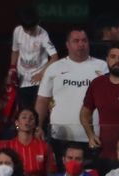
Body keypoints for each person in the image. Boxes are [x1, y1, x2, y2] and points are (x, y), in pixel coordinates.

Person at [36, 28, 108, 157]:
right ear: (67, 45)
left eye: (84, 40)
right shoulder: (54, 68)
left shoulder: (103, 66)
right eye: (76, 41)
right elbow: (42, 100)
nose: (81, 44)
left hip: (94, 137)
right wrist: (38, 126)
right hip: (60, 137)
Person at [10, 7, 58, 110]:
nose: (29, 32)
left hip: (38, 81)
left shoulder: (43, 34)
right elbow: (15, 51)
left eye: (31, 29)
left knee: (38, 111)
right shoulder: (17, 31)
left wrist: (41, 74)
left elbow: (55, 57)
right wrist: (12, 68)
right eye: (25, 29)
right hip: (21, 79)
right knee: (23, 111)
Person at [0, 107, 55, 176]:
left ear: (35, 124)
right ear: (16, 122)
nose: (27, 120)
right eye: (24, 117)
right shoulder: (4, 146)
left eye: (31, 118)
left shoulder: (44, 147)